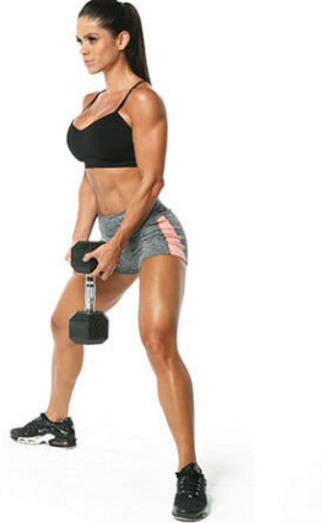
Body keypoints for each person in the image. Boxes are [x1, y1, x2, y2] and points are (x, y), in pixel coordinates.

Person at [9, 1, 207, 520]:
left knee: (158, 341)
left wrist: (117, 246)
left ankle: (189, 470)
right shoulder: (91, 99)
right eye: (78, 41)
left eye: (92, 39)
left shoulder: (144, 101)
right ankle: (58, 420)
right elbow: (90, 179)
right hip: (107, 237)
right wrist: (82, 240)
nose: (83, 51)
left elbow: (152, 181)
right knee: (62, 323)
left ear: (121, 40)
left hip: (152, 234)